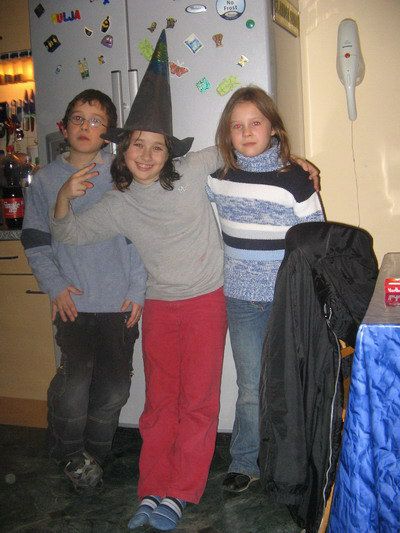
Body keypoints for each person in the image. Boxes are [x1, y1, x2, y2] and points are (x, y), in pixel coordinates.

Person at [49, 32, 320, 531]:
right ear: (123, 151)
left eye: (157, 147)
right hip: (159, 307)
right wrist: (65, 195)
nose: (146, 155)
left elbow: (245, 146)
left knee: (197, 402)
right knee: (159, 403)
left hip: (207, 303)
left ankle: (180, 492)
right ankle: (152, 487)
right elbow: (68, 232)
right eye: (137, 145)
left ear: (170, 153)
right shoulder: (118, 204)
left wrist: (295, 162)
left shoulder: (194, 169)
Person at [21, 89, 147, 491]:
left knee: (115, 387)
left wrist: (138, 288)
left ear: (108, 132)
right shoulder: (45, 180)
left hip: (119, 302)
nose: (85, 126)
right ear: (64, 126)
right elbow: (36, 241)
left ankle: (95, 454)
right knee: (75, 382)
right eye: (77, 118)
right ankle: (70, 453)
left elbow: (139, 238)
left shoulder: (123, 175)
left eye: (95, 121)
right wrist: (55, 286)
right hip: (73, 302)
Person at [206, 86, 325, 494]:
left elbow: (315, 242)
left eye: (255, 122)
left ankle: (291, 464)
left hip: (286, 300)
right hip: (240, 299)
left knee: (288, 383)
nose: (246, 132)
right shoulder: (217, 180)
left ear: (273, 127)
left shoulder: (296, 180)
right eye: (236, 125)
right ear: (227, 133)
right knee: (249, 387)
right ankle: (244, 461)